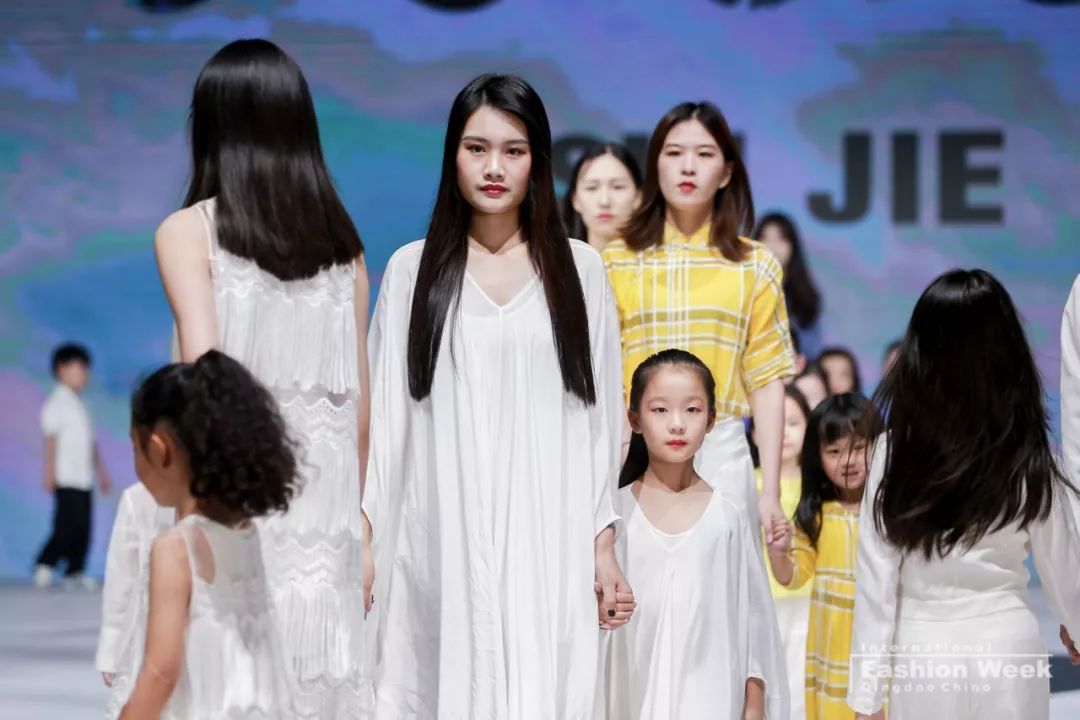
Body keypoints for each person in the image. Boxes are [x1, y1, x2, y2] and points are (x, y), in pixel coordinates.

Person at [361, 74, 631, 719]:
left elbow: (597, 422)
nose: (493, 168)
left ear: (537, 161)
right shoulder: (411, 271)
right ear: (452, 155)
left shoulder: (580, 270)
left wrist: (602, 545)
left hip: (547, 532)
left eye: (513, 150)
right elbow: (387, 421)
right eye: (476, 148)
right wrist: (365, 538)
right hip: (441, 529)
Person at [152, 39, 371, 714]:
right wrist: (361, 528)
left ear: (212, 126)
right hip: (327, 524)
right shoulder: (346, 250)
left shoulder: (188, 231)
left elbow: (206, 386)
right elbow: (360, 412)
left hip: (233, 510)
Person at [846, 270, 1080, 720]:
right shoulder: (1027, 451)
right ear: (1007, 351)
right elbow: (1062, 565)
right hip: (1009, 648)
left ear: (919, 353)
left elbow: (876, 583)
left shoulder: (893, 451)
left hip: (923, 653)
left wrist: (866, 698)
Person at [602, 101, 796, 545]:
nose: (688, 166)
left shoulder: (755, 265)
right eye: (673, 153)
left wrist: (769, 493)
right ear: (655, 166)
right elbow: (607, 377)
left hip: (722, 452)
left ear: (726, 172)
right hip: (636, 454)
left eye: (704, 154)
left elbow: (766, 380)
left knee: (722, 583)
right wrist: (607, 471)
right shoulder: (616, 261)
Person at [603, 349, 788, 719]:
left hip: (711, 700)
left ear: (711, 420)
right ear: (634, 419)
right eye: (660, 410)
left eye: (692, 409)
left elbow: (753, 620)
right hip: (629, 700)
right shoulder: (614, 517)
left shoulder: (727, 517)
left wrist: (754, 703)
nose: (677, 424)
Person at [118, 350, 297, 719]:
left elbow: (161, 672)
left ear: (159, 449)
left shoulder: (175, 548)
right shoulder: (246, 531)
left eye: (135, 446)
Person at [766, 393, 881, 720]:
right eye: (834, 451)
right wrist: (778, 553)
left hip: (878, 642)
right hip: (831, 644)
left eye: (859, 447)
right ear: (817, 457)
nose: (848, 461)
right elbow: (792, 576)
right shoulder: (815, 516)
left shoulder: (888, 513)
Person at [754, 384, 812, 719]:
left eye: (793, 423)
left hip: (808, 605)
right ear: (756, 433)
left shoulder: (816, 487)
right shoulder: (749, 484)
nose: (784, 433)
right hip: (766, 605)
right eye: (776, 423)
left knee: (801, 690)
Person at [34, 342, 112, 590]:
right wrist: (49, 473)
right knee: (67, 525)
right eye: (78, 368)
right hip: (66, 476)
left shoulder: (80, 404)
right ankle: (45, 563)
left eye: (85, 369)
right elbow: (51, 439)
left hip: (84, 476)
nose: (83, 374)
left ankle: (75, 571)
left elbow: (90, 443)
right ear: (61, 369)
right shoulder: (56, 402)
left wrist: (102, 473)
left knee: (84, 527)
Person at [97, 482, 174, 719]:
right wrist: (111, 650)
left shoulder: (224, 496)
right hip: (146, 636)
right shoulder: (138, 498)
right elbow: (122, 577)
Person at [754, 212, 824, 360]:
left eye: (780, 239)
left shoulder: (805, 297)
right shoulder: (743, 290)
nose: (772, 247)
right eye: (765, 238)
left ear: (793, 246)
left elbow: (812, 350)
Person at [562, 142, 642, 251]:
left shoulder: (657, 260)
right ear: (575, 200)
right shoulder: (556, 259)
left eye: (618, 187)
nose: (604, 201)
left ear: (638, 197)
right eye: (591, 187)